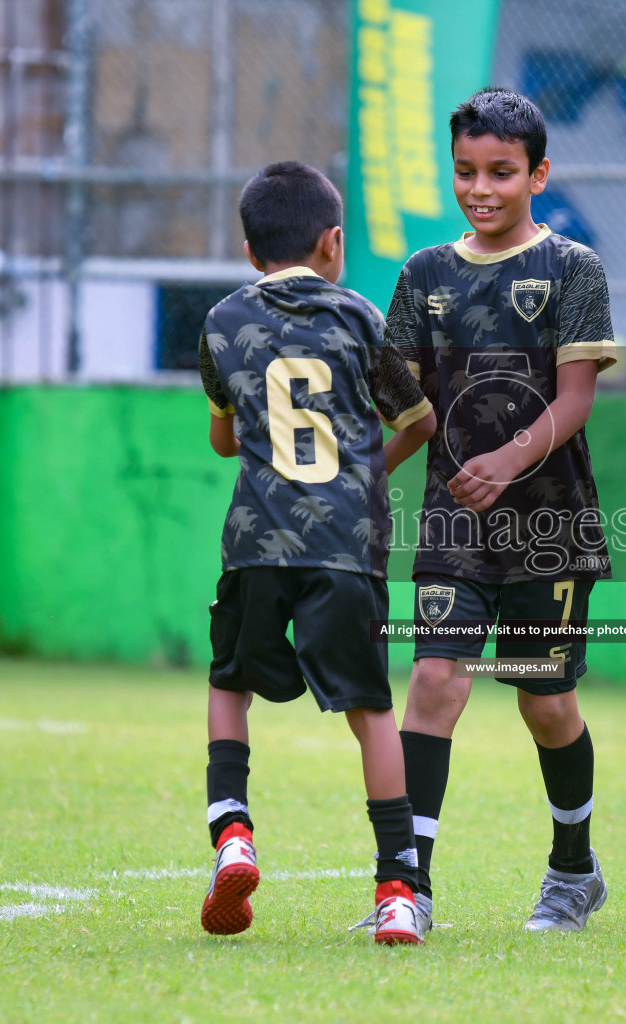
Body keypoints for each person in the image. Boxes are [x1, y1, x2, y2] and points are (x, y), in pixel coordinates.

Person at [385, 88, 619, 935]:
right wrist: (362, 479)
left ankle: (573, 871)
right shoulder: (422, 276)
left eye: (501, 173)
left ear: (538, 174)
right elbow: (407, 409)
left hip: (548, 526)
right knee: (433, 682)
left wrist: (510, 459)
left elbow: (576, 399)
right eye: (465, 173)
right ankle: (408, 889)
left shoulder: (573, 268)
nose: (480, 189)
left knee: (543, 702)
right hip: (453, 525)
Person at [195, 161, 437, 944]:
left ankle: (232, 833)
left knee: (230, 686)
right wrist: (363, 473)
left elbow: (224, 436)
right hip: (347, 547)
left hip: (256, 545)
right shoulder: (361, 316)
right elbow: (420, 420)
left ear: (247, 249)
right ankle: (399, 888)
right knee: (370, 713)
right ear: (334, 242)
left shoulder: (222, 322)